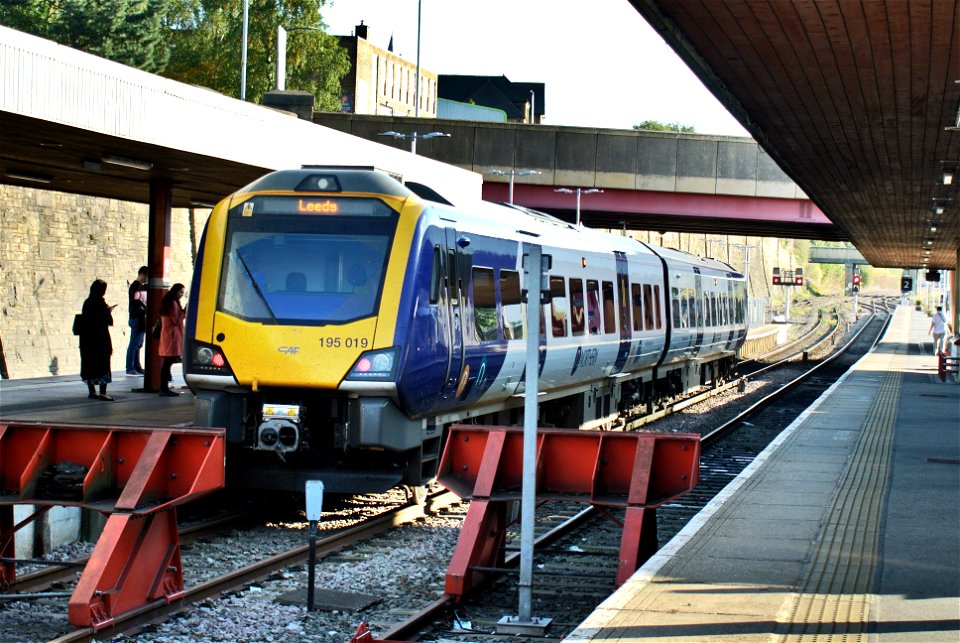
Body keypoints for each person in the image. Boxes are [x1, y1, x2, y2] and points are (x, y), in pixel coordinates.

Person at [79, 279, 115, 401]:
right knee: (103, 364)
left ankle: (92, 391)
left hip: (87, 339)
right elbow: (108, 321)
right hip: (100, 339)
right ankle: (103, 392)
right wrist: (108, 311)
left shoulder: (87, 302)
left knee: (89, 363)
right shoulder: (101, 303)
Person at [158, 283, 186, 396]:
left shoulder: (167, 302)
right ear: (175, 292)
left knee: (166, 363)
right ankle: (164, 388)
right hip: (172, 337)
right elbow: (176, 320)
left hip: (167, 336)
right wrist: (184, 311)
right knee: (167, 363)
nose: (181, 295)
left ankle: (164, 388)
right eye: (180, 292)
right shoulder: (173, 304)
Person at [125, 265, 148, 375]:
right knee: (134, 343)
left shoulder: (137, 286)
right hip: (137, 318)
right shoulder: (136, 287)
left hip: (137, 318)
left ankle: (136, 366)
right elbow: (138, 303)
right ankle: (130, 367)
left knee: (137, 344)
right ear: (143, 275)